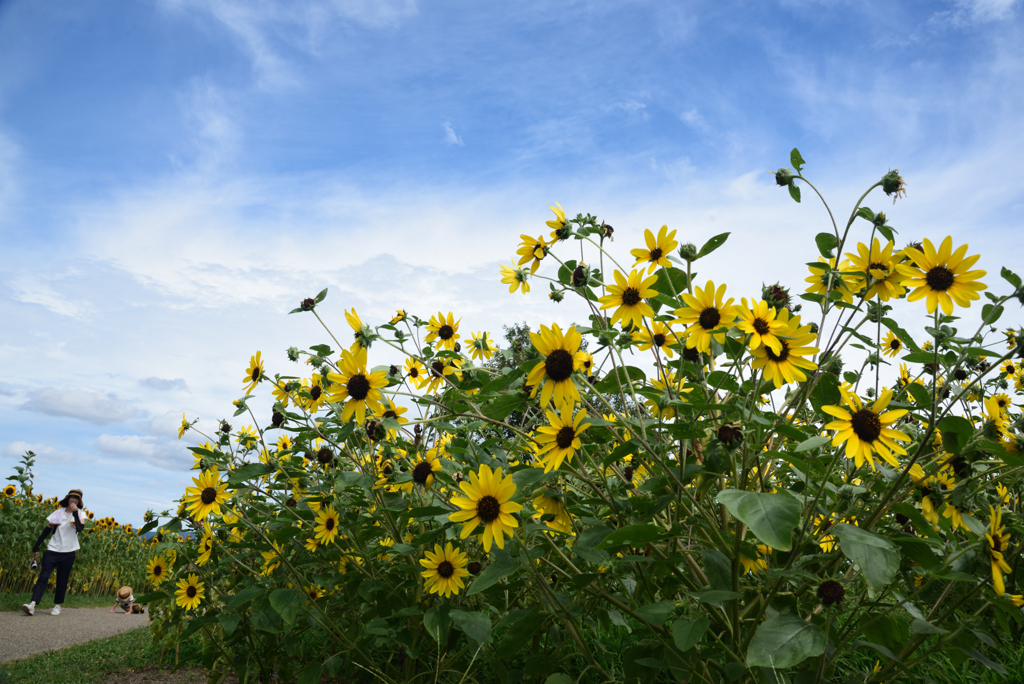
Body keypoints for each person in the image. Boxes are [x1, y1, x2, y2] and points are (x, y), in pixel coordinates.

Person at [22, 488, 86, 616]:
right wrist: (36, 547)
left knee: (62, 580)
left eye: (76, 498)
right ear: (68, 498)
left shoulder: (80, 514)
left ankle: (57, 605)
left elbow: (80, 528)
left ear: (79, 501)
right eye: (72, 497)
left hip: (69, 551)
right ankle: (32, 604)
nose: (73, 500)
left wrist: (74, 513)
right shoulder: (58, 513)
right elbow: (47, 529)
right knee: (43, 577)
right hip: (52, 549)